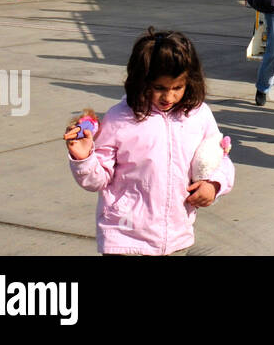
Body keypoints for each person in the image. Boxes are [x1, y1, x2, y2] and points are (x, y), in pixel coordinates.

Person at [66, 29, 234, 255]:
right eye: (159, 88)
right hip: (124, 238)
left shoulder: (198, 115)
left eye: (177, 88)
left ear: (190, 82)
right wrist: (84, 158)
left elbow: (219, 156)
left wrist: (214, 185)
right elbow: (97, 180)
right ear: (142, 81)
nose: (169, 97)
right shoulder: (119, 118)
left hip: (176, 237)